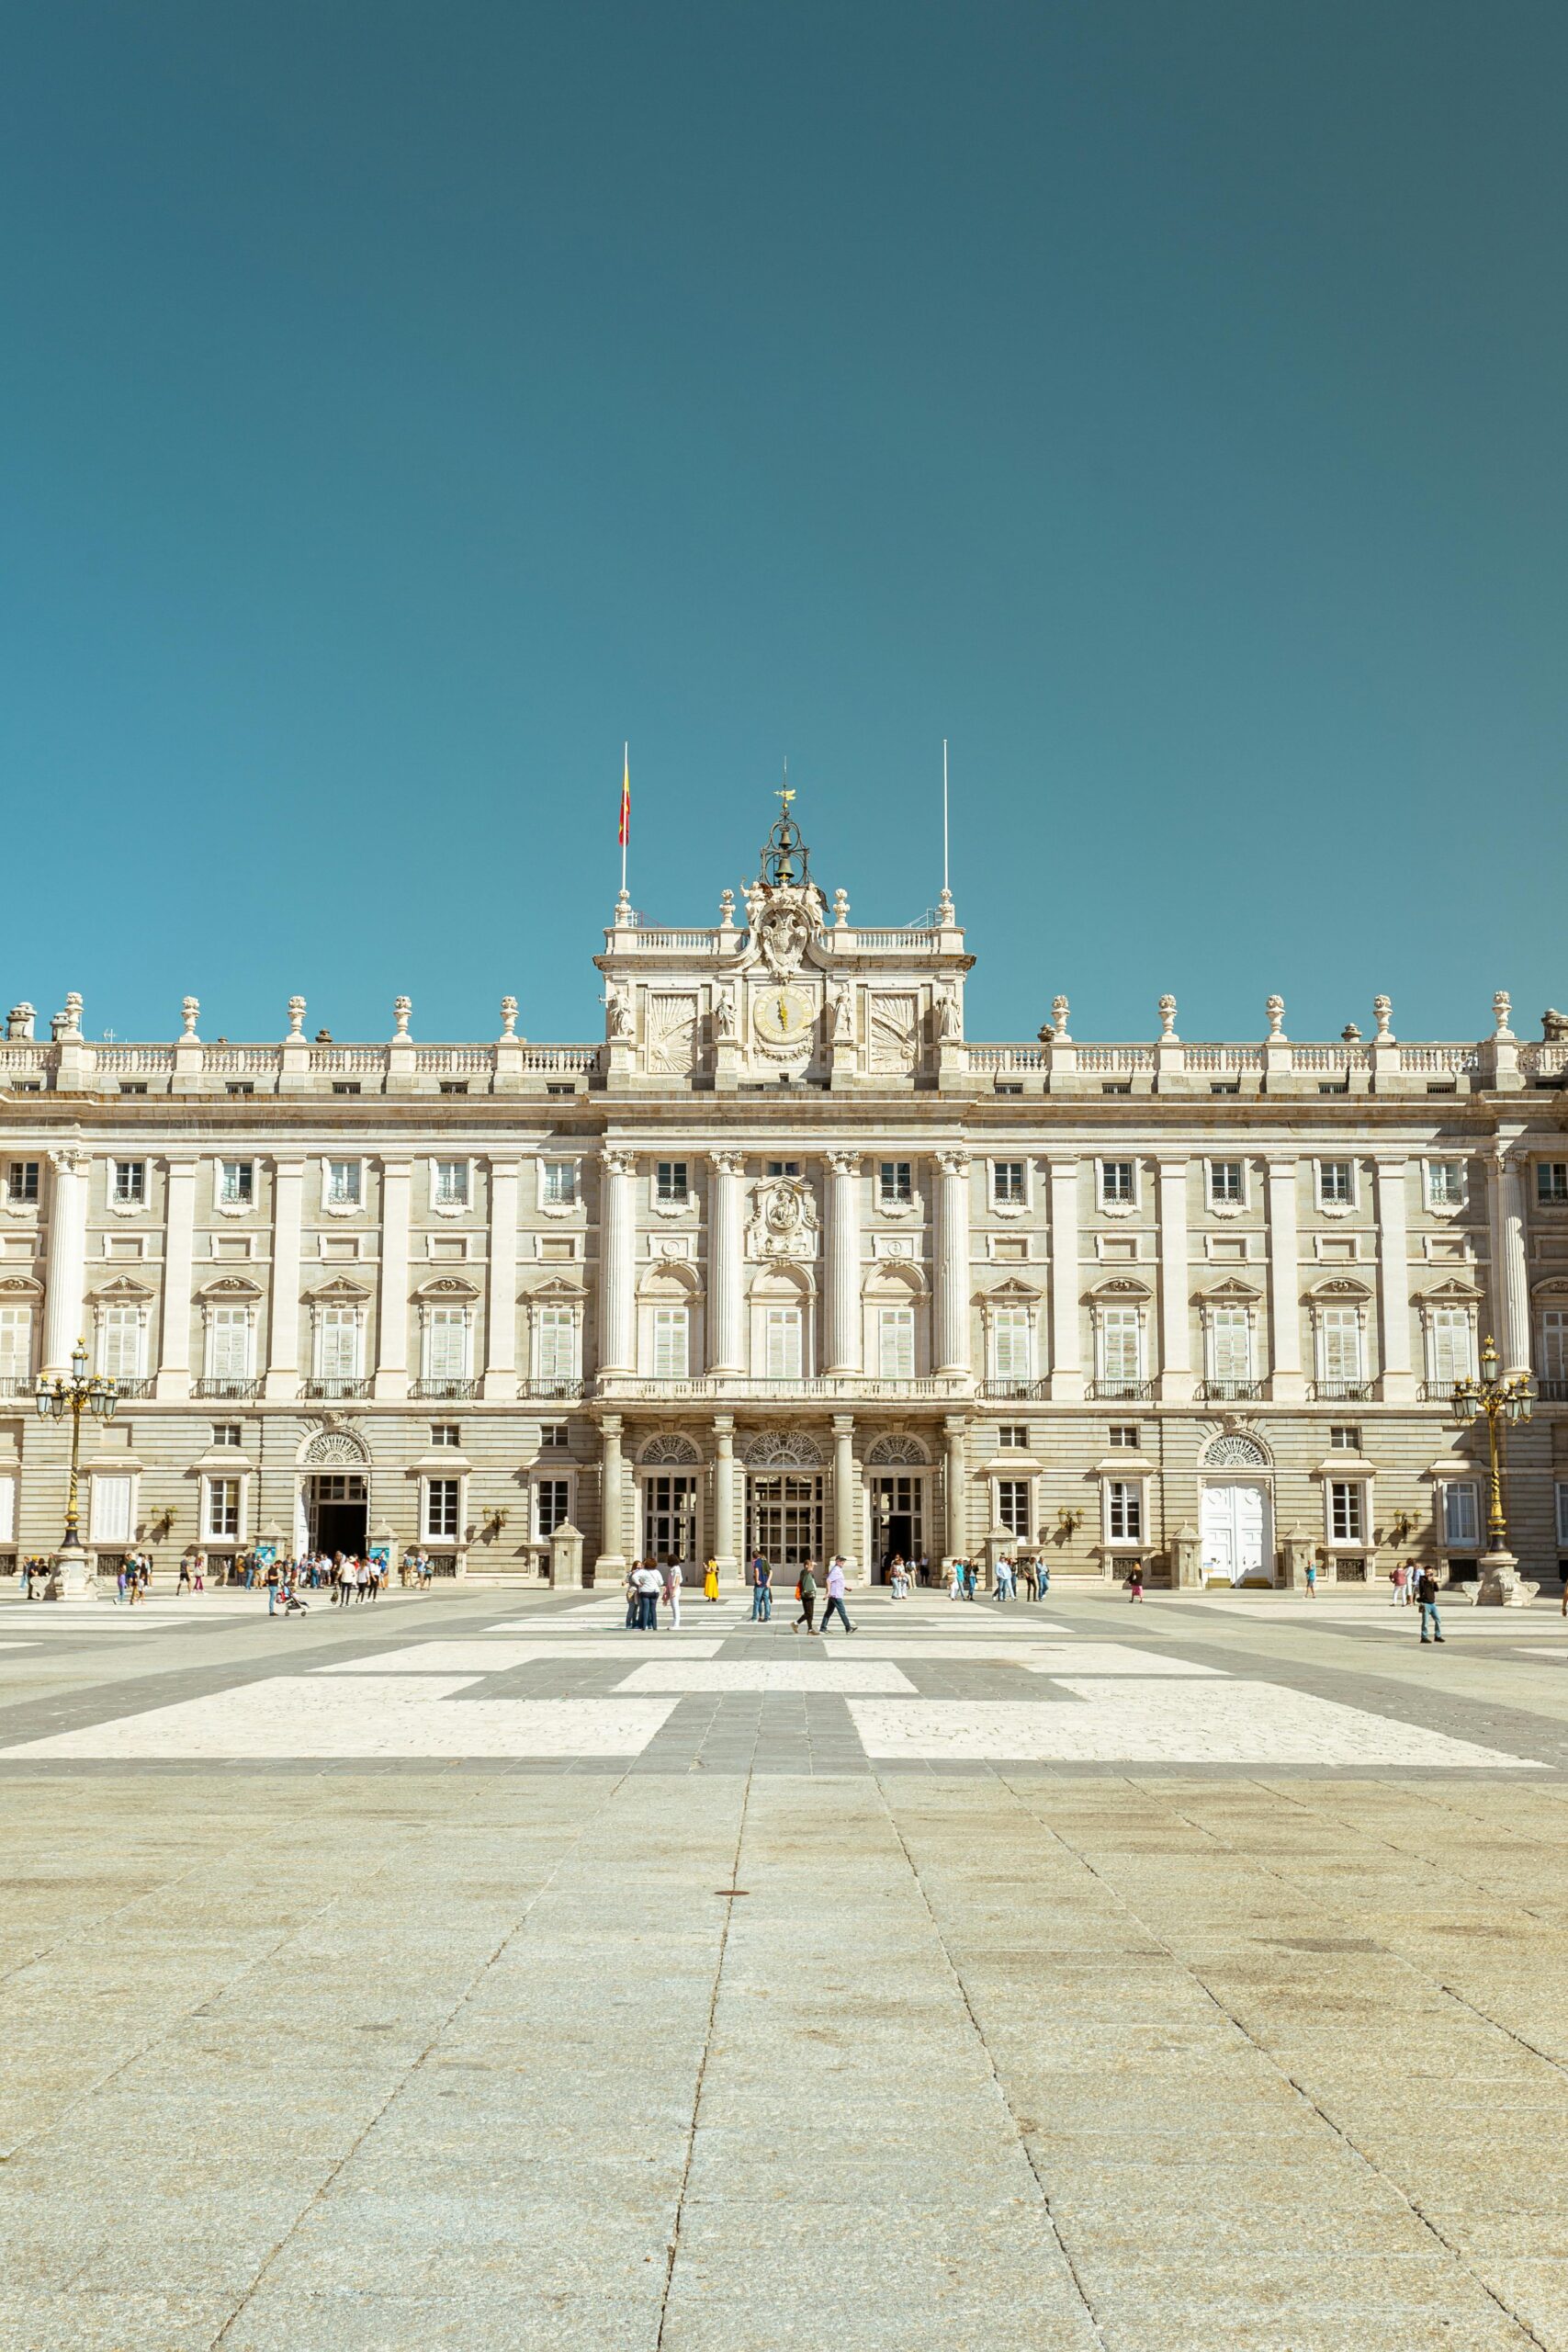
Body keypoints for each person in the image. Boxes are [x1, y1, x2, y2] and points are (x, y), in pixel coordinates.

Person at [820, 1555, 854, 1636]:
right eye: (841, 1561)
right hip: (836, 1595)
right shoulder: (836, 1570)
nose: (843, 1562)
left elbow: (839, 1581)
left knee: (829, 1612)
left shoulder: (838, 1569)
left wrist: (846, 1588)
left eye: (843, 1561)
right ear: (837, 1561)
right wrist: (828, 1592)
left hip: (835, 1594)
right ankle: (848, 1628)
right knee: (842, 1612)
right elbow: (828, 1580)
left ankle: (823, 1628)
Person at [1416, 1566, 1444, 1643]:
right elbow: (1422, 1588)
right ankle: (1424, 1637)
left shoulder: (1432, 1579)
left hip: (1432, 1603)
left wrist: (1434, 1582)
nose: (1429, 1574)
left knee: (1438, 1619)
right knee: (1425, 1622)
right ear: (1424, 1572)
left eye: (1430, 1572)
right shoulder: (1422, 1579)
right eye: (1427, 1572)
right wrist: (1428, 1581)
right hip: (1425, 1604)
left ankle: (1437, 1636)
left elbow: (1437, 1590)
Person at [793, 1559, 818, 1635]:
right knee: (808, 1613)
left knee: (811, 1613)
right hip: (806, 1595)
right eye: (811, 1565)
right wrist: (811, 1564)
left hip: (811, 1595)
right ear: (806, 1566)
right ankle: (796, 1623)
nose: (813, 1567)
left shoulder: (810, 1574)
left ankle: (810, 1629)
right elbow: (809, 1569)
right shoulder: (804, 1572)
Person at [663, 1556, 683, 1630]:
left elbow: (677, 1580)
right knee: (673, 1607)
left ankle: (676, 1624)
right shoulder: (672, 1568)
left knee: (675, 1607)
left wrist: (674, 1591)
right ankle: (674, 1623)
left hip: (675, 1589)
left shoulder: (676, 1568)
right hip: (672, 1589)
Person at [750, 1556, 772, 1622]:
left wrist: (757, 1580)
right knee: (766, 1602)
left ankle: (754, 1618)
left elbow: (756, 1570)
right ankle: (767, 1618)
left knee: (757, 1602)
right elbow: (771, 1572)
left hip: (759, 1585)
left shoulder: (757, 1562)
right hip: (766, 1585)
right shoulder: (765, 1562)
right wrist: (768, 1581)